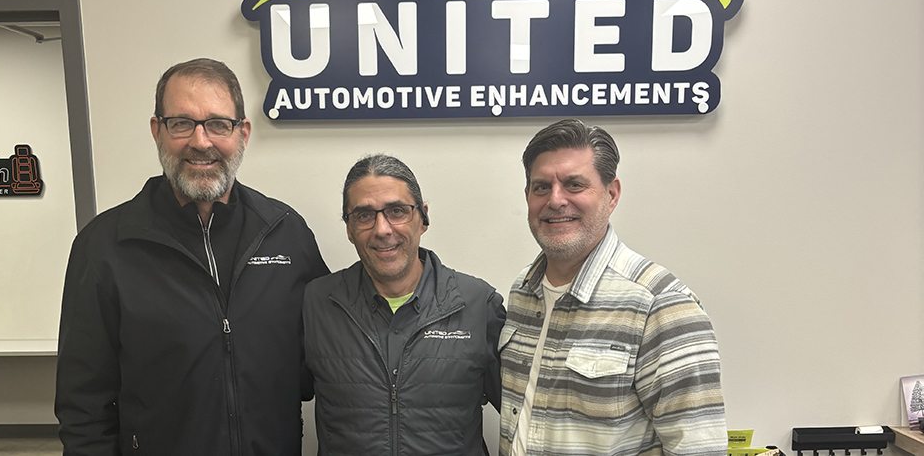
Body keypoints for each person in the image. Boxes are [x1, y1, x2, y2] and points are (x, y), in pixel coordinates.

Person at [55, 58, 329, 456]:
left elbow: (325, 355)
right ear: (157, 130)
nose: (201, 142)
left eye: (218, 124)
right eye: (182, 123)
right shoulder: (105, 246)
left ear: (243, 133)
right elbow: (83, 405)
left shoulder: (286, 233)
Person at [500, 119, 726, 456]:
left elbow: (698, 449)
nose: (556, 200)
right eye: (541, 187)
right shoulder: (522, 291)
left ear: (612, 194)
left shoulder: (662, 305)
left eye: (574, 185)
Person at [302, 154, 506, 456]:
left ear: (422, 218)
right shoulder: (317, 303)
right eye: (364, 215)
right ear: (348, 228)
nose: (382, 229)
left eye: (397, 211)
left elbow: (527, 418)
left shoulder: (478, 304)